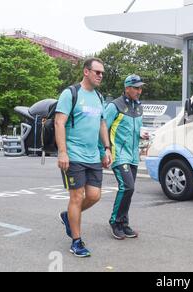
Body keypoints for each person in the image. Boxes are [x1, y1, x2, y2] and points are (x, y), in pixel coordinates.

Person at [55, 58, 113, 257]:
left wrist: (106, 148)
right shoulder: (70, 93)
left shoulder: (99, 96)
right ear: (86, 72)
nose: (100, 76)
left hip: (93, 156)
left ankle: (67, 216)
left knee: (94, 196)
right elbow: (59, 123)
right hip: (74, 155)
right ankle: (76, 242)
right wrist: (63, 152)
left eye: (102, 73)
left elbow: (102, 124)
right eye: (97, 72)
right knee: (77, 196)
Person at [101, 74, 149, 240]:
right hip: (118, 154)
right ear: (127, 88)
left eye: (140, 87)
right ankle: (115, 222)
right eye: (136, 88)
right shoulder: (114, 106)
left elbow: (134, 129)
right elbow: (102, 128)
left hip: (133, 155)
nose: (139, 91)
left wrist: (142, 135)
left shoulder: (139, 106)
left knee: (129, 190)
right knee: (127, 187)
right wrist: (104, 151)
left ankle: (124, 223)